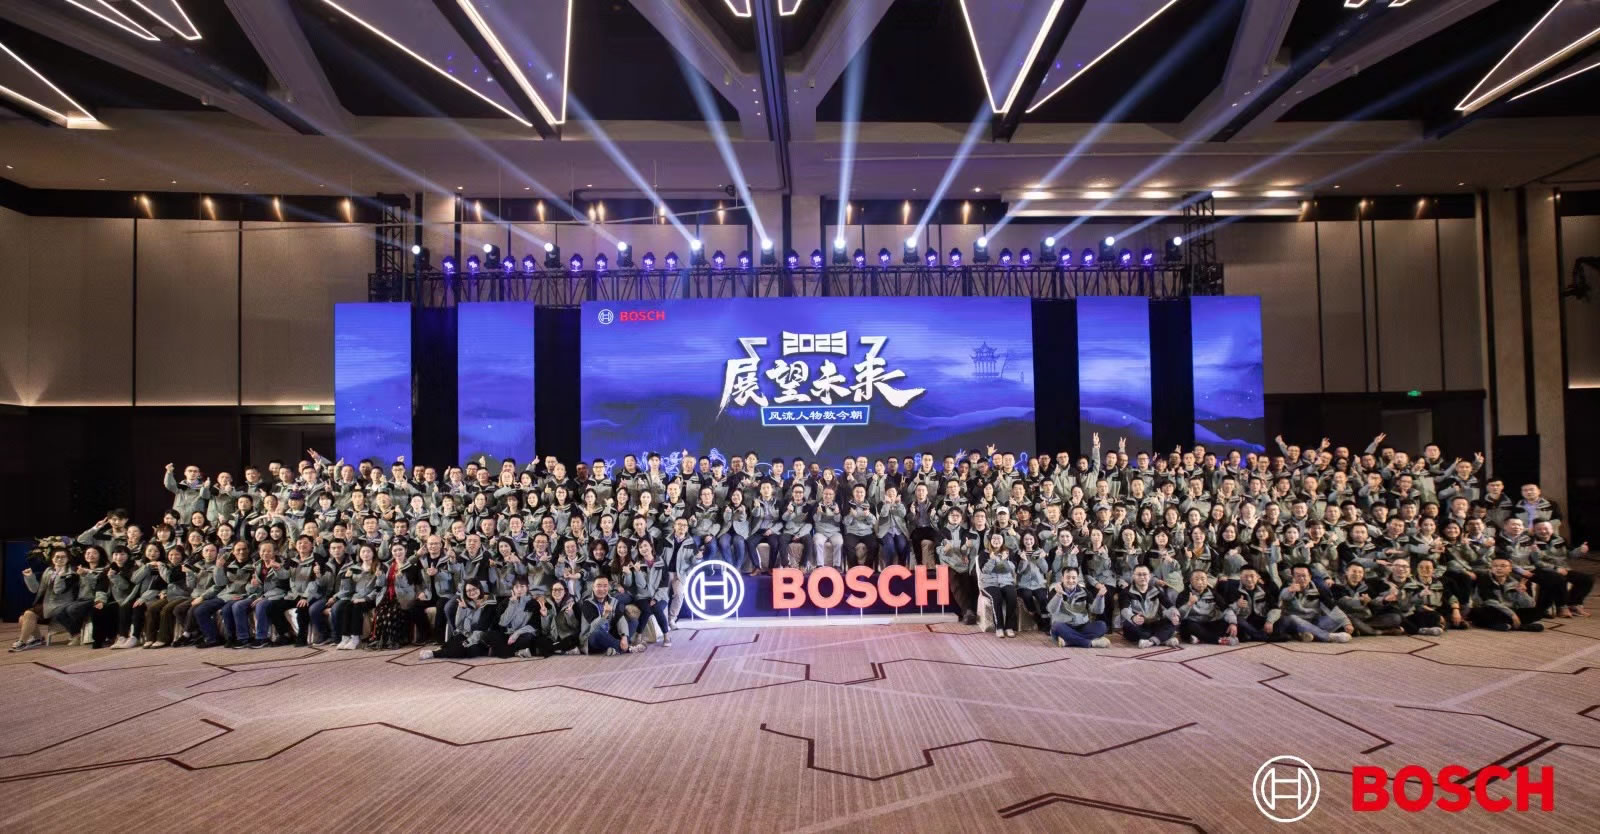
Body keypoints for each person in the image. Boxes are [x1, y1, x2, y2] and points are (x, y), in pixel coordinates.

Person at [1047, 568, 1110, 648]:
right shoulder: (1055, 591)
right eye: (1068, 578)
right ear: (1062, 578)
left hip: (1082, 626)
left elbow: (1097, 611)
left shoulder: (1084, 591)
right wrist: (1058, 595)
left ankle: (1068, 642)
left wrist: (1100, 597)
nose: (1071, 581)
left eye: (1073, 578)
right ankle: (1091, 643)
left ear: (1077, 579)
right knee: (1056, 627)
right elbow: (1051, 610)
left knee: (1102, 626)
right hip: (1065, 626)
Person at [1119, 565, 1180, 648]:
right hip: (1137, 624)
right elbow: (1124, 610)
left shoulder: (1157, 590)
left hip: (1154, 623)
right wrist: (1133, 617)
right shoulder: (1126, 592)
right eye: (1139, 574)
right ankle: (1162, 639)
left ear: (1150, 576)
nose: (1142, 577)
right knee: (1129, 626)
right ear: (1133, 576)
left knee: (1171, 624)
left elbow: (1170, 606)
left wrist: (1175, 615)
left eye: (1145, 574)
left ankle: (1151, 641)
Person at [979, 532, 1019, 638]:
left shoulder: (1009, 553)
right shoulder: (984, 553)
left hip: (1006, 582)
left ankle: (1009, 627)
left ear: (1003, 541)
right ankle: (999, 627)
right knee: (997, 597)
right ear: (990, 540)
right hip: (989, 583)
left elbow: (1011, 569)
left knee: (1012, 596)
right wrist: (992, 560)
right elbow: (985, 570)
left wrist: (1004, 560)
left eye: (999, 538)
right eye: (994, 538)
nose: (996, 540)